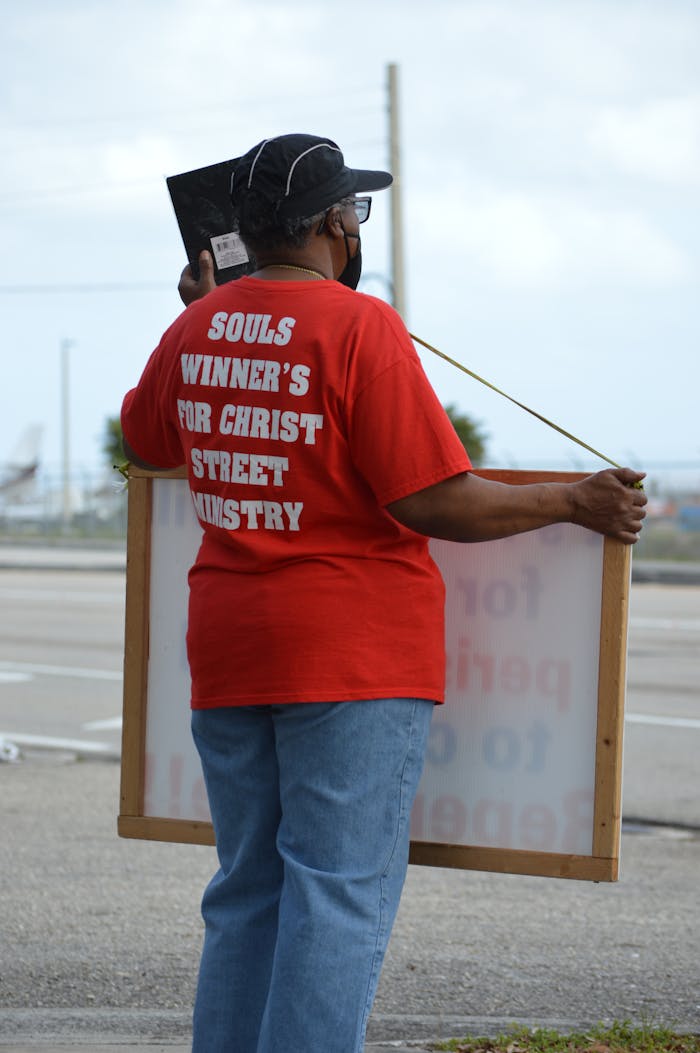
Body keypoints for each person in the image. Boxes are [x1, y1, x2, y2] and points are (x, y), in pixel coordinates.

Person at [121, 133, 646, 1053]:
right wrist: (573, 500)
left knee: (247, 890)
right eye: (353, 212)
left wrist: (207, 310)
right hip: (353, 658)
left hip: (233, 650)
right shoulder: (362, 327)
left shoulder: (196, 325)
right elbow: (430, 496)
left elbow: (152, 440)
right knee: (335, 890)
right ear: (333, 223)